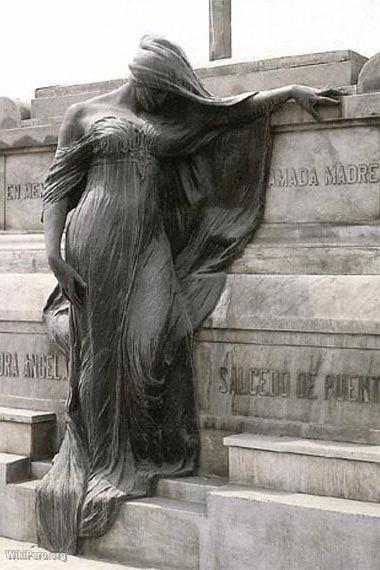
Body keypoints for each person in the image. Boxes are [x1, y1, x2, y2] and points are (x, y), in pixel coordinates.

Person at [37, 34, 341, 554]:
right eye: (156, 88)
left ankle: (146, 450)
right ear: (142, 77)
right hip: (96, 241)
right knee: (103, 353)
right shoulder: (83, 115)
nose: (161, 99)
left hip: (150, 242)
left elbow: (225, 114)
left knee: (158, 339)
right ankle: (105, 453)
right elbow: (58, 189)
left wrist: (290, 91)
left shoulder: (168, 123)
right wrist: (52, 253)